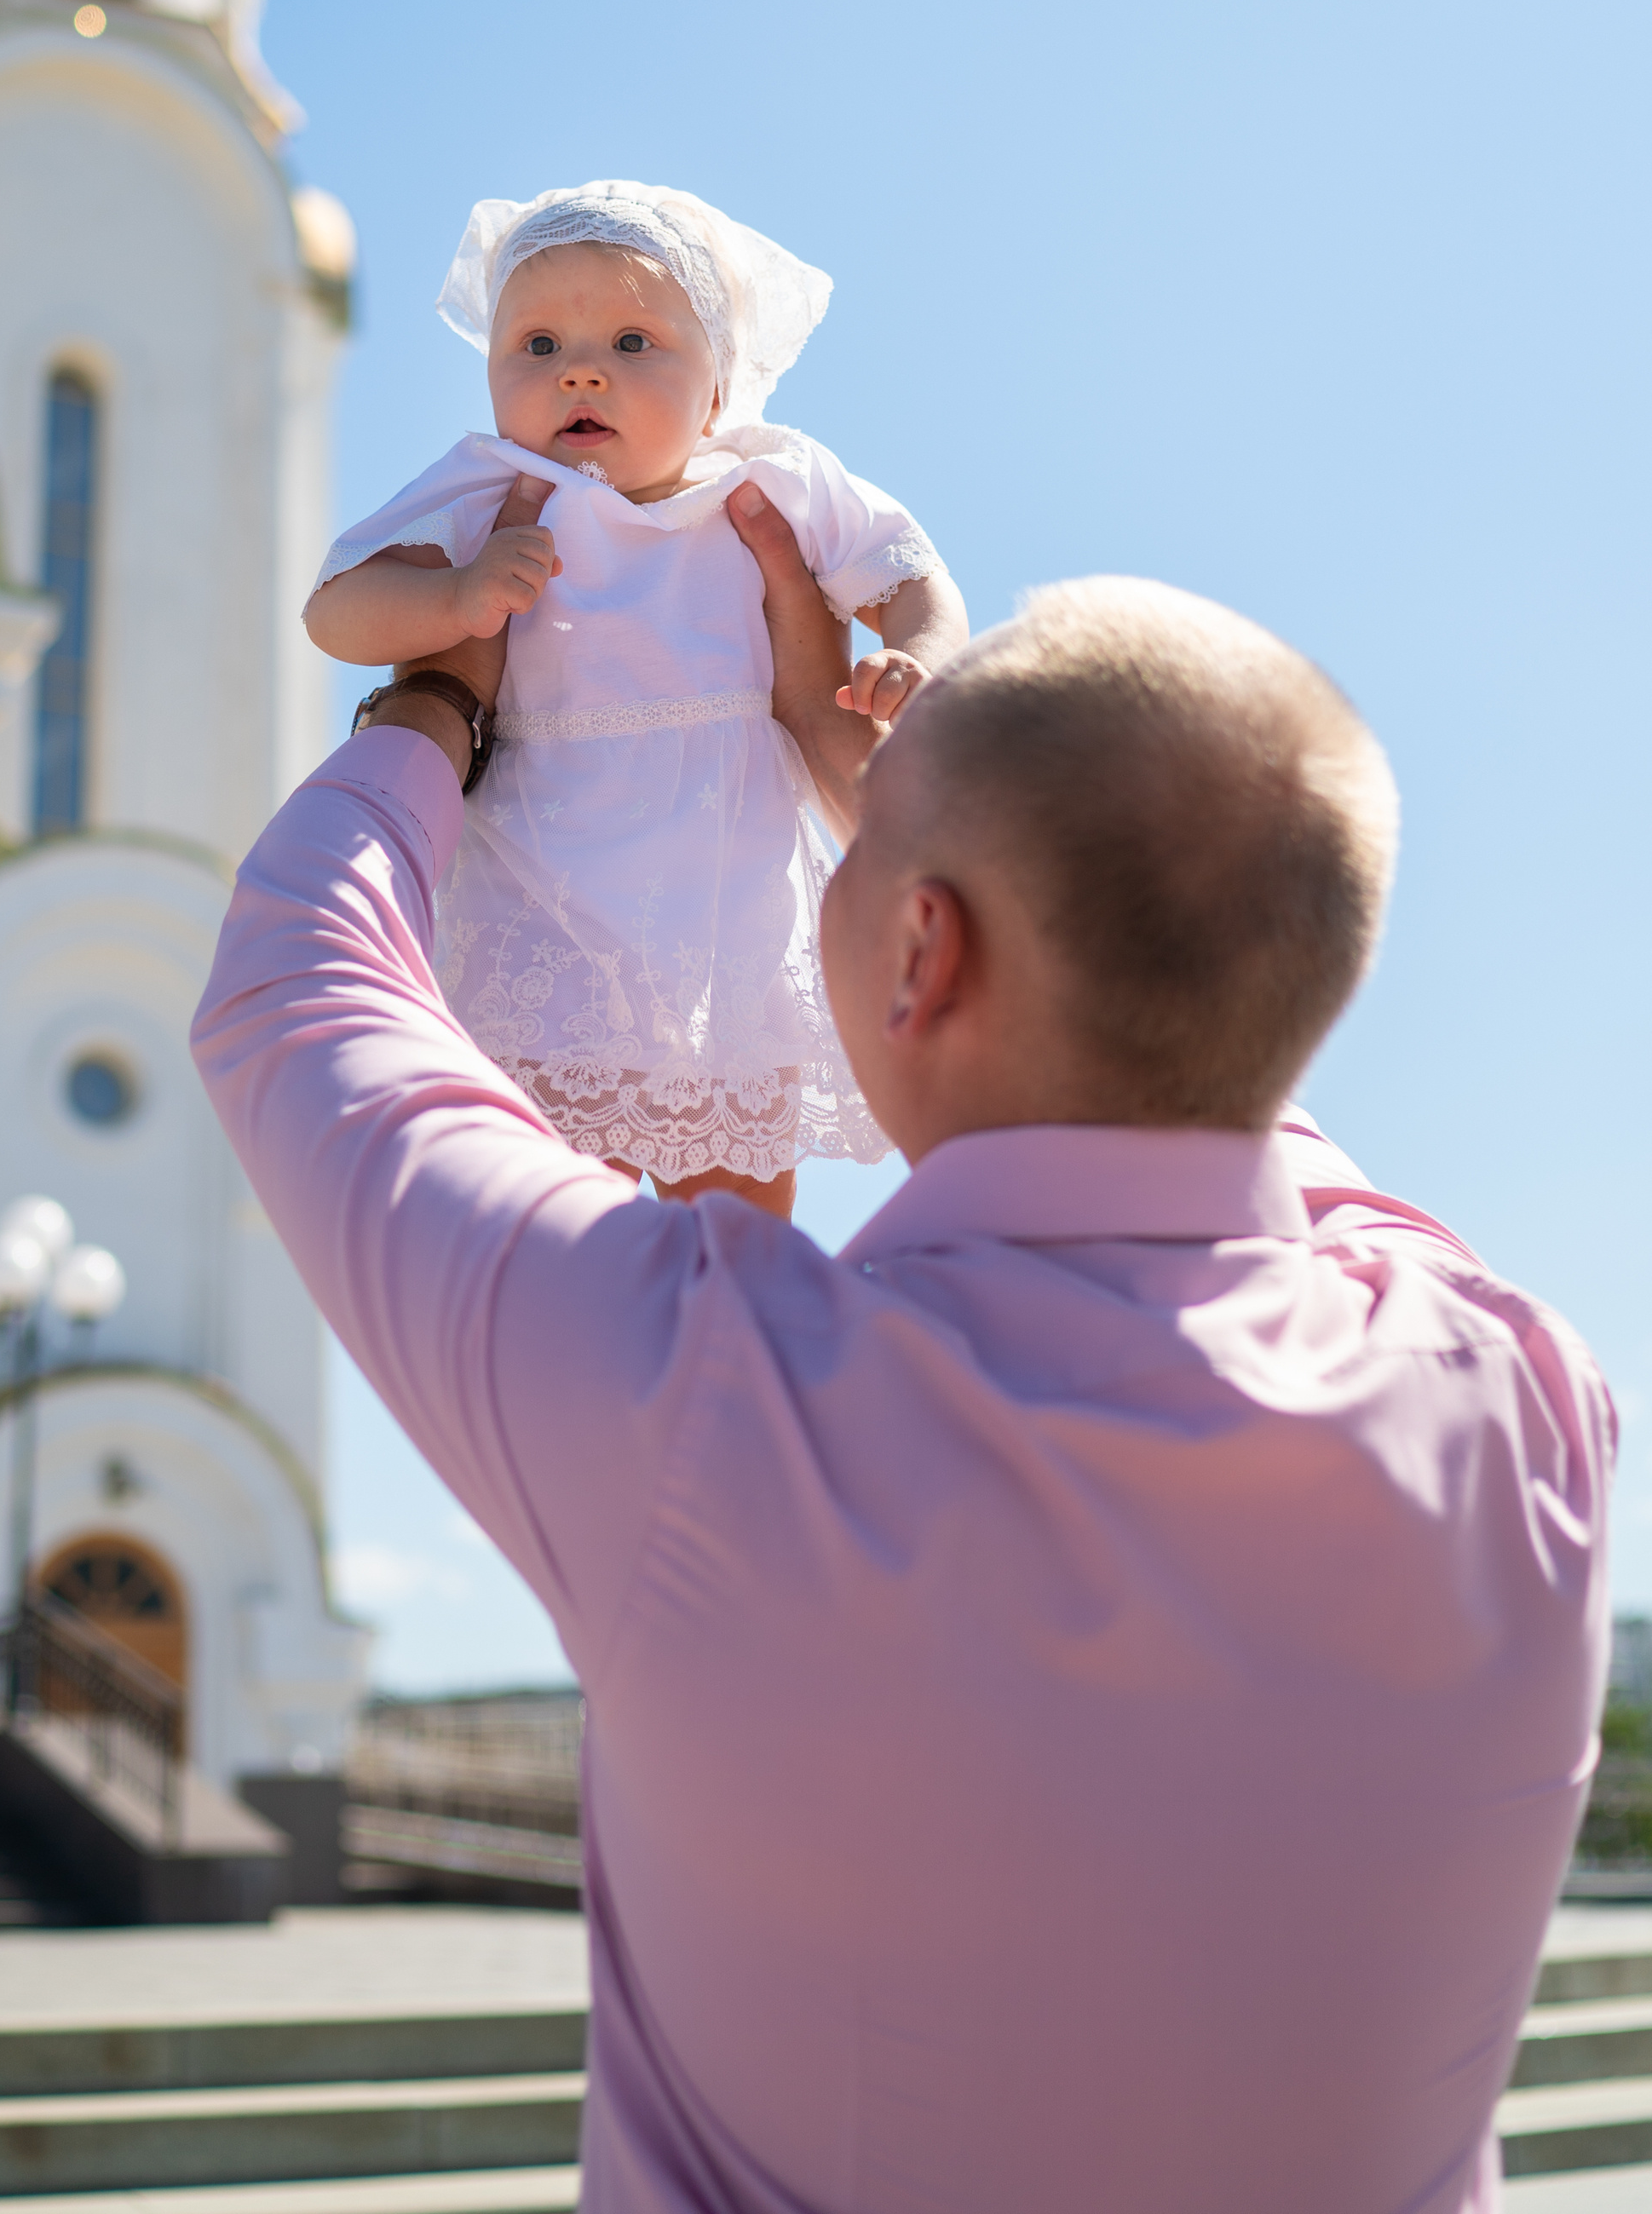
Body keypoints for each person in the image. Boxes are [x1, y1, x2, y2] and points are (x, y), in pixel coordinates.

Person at [193, 488, 1612, 2213]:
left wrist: (436, 703)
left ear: (921, 948)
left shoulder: (706, 1398)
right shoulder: (1520, 1401)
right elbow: (1212, 1036)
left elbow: (298, 988)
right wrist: (956, 823)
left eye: (847, 868)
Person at [305, 180, 966, 1211]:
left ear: (717, 390)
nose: (579, 370)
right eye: (536, 346)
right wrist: (455, 595)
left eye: (631, 341)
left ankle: (732, 1314)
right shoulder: (490, 486)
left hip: (727, 905)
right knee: (561, 1208)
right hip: (543, 892)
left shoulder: (771, 478)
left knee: (736, 1212)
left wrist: (919, 656)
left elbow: (909, 571)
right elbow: (337, 612)